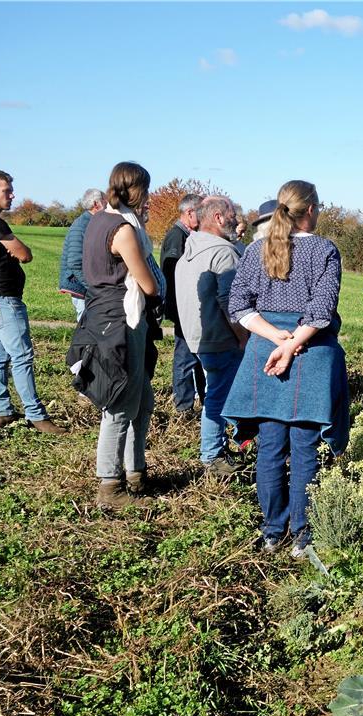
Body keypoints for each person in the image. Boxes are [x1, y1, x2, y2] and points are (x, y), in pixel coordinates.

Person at [223, 180, 348, 559]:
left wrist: (275, 339)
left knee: (271, 447)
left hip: (266, 354)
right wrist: (293, 344)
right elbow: (321, 312)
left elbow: (238, 307)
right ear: (310, 210)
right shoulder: (325, 250)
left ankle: (272, 531)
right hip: (310, 353)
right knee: (305, 449)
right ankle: (302, 535)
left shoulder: (256, 250)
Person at [74, 161, 164, 506]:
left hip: (107, 316)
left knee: (142, 400)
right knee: (121, 404)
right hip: (121, 319)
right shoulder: (122, 230)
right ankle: (109, 486)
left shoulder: (98, 220)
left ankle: (135, 472)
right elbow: (147, 282)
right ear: (138, 190)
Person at [0, 169, 66, 434]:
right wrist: (23, 254)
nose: (12, 195)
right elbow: (24, 254)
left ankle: (3, 411)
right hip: (4, 300)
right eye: (7, 191)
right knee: (22, 356)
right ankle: (36, 415)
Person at [175, 195, 248, 476]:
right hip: (220, 338)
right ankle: (212, 455)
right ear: (218, 218)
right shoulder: (223, 253)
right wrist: (242, 335)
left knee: (214, 393)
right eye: (231, 215)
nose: (236, 220)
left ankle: (217, 447)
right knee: (217, 396)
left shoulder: (189, 250)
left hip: (196, 337)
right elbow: (231, 300)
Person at [160, 193, 205, 415]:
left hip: (186, 306)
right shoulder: (177, 237)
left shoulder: (187, 235)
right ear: (189, 213)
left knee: (194, 356)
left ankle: (196, 401)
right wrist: (180, 305)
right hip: (182, 307)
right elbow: (171, 274)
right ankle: (183, 407)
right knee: (185, 357)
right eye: (201, 212)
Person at [58, 188, 106, 320]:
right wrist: (93, 287)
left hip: (89, 288)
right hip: (82, 288)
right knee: (86, 324)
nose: (108, 205)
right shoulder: (81, 226)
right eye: (105, 201)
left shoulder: (93, 222)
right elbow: (75, 262)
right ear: (97, 204)